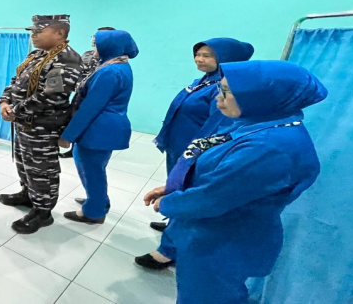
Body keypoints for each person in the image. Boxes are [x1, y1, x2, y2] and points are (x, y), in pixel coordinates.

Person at [143, 60, 327, 304]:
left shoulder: (267, 147)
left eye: (227, 92)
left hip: (221, 240)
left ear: (262, 97)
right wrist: (175, 186)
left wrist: (167, 203)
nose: (217, 97)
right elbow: (215, 168)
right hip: (212, 230)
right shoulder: (255, 124)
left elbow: (211, 199)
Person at [136, 38, 254, 270]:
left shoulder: (224, 88)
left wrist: (194, 156)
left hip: (195, 154)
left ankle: (169, 251)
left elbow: (215, 128)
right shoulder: (204, 81)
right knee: (176, 189)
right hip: (180, 148)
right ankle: (173, 222)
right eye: (197, 54)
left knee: (185, 193)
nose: (199, 59)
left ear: (226, 58)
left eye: (207, 55)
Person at [0, 14, 82, 234]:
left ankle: (43, 212)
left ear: (60, 33)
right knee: (24, 164)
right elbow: (16, 82)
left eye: (38, 31)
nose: (33, 35)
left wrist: (15, 110)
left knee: (42, 170)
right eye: (32, 31)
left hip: (43, 126)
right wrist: (4, 101)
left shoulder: (65, 59)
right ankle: (28, 195)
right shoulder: (37, 55)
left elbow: (52, 96)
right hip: (25, 122)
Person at [58, 29, 138, 223]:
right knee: (94, 169)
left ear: (110, 46)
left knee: (91, 171)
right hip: (104, 126)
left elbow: (90, 107)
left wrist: (68, 135)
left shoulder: (110, 72)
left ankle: (94, 212)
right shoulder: (116, 65)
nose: (93, 47)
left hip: (99, 128)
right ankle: (98, 200)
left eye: (97, 44)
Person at [59, 26, 116, 159]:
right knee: (74, 119)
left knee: (92, 124)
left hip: (97, 97)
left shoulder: (113, 59)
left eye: (100, 36)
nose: (95, 39)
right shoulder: (87, 54)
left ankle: (90, 150)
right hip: (80, 95)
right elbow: (79, 72)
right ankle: (73, 149)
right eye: (95, 36)